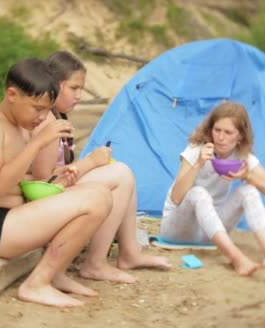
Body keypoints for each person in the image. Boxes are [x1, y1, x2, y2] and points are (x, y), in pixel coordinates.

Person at [0, 58, 114, 308]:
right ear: (12, 94)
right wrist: (37, 143)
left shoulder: (20, 127)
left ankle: (56, 274)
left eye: (47, 109)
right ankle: (36, 284)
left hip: (15, 217)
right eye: (36, 108)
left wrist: (60, 179)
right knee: (96, 199)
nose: (43, 117)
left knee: (99, 191)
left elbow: (21, 179)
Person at [30, 51, 172, 284]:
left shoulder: (59, 116)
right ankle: (95, 263)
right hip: (46, 201)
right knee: (121, 174)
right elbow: (44, 181)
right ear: (55, 85)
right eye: (74, 88)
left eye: (81, 89)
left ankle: (129, 253)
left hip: (59, 191)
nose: (79, 95)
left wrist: (90, 165)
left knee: (125, 173)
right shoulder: (47, 122)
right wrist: (91, 162)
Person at [160, 102, 265, 276]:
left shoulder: (242, 156)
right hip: (177, 229)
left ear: (240, 136)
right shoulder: (196, 150)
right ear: (210, 130)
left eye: (228, 132)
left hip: (211, 231)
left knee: (249, 190)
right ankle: (237, 258)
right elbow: (176, 198)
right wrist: (199, 163)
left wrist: (246, 176)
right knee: (199, 193)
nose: (221, 137)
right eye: (217, 130)